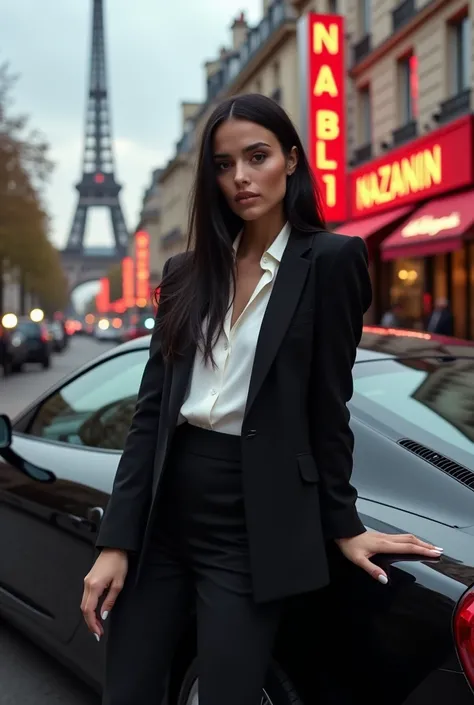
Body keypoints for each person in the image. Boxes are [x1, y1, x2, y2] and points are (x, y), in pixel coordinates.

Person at [81, 93, 443, 705]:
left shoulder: (331, 262)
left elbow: (330, 406)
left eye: (257, 157)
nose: (242, 178)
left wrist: (343, 523)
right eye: (224, 165)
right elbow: (151, 416)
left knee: (228, 693)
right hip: (165, 509)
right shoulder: (185, 272)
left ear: (292, 161)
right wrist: (116, 541)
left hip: (252, 519)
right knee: (130, 691)